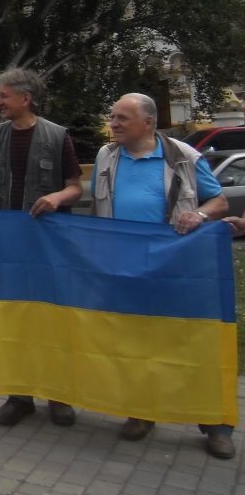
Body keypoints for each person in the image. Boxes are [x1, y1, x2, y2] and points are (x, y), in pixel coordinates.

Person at [91, 92, 232, 459]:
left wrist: (199, 216)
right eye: (113, 117)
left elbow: (218, 201)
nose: (114, 124)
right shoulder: (106, 156)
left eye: (122, 118)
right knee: (135, 342)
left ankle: (214, 423)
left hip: (176, 267)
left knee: (190, 342)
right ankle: (142, 412)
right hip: (125, 268)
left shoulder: (185, 157)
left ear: (148, 122)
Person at [0, 68, 84, 427]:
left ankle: (59, 397)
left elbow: (75, 187)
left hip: (49, 246)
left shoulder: (57, 136)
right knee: (16, 319)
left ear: (25, 99)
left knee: (52, 319)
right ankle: (19, 397)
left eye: (3, 96)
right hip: (9, 246)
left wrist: (56, 197)